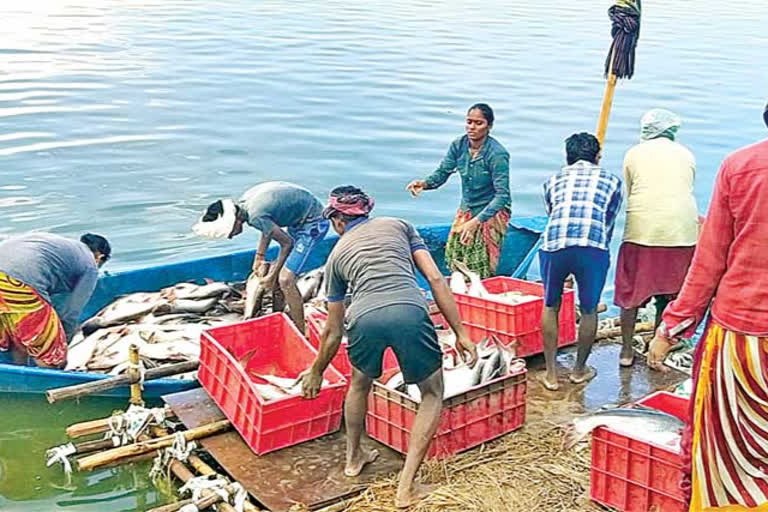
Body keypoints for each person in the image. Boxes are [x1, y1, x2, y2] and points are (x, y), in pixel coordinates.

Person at [298, 186, 478, 509]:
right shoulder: (399, 225)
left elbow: (332, 330)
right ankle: (405, 488)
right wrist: (461, 333)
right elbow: (436, 279)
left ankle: (353, 459)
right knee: (433, 393)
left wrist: (315, 371)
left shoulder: (336, 255)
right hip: (409, 310)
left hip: (363, 317)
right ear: (367, 211)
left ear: (338, 220)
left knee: (359, 383)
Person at [647, 102, 768, 511]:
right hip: (741, 332)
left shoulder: (741, 167)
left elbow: (709, 260)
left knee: (724, 458)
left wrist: (670, 329)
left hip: (740, 345)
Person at [614, 109, 699, 367]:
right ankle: (657, 345)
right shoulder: (686, 154)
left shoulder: (634, 153)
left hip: (643, 230)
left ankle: (626, 352)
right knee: (670, 294)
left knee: (630, 295)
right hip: (682, 231)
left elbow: (632, 190)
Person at [538, 132, 622, 390]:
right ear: (597, 157)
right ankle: (578, 370)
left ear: (568, 157)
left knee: (551, 305)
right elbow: (608, 221)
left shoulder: (553, 179)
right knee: (589, 309)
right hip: (592, 247)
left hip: (554, 244)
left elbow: (553, 213)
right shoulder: (612, 180)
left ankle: (551, 375)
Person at [193, 181, 329, 332]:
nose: (231, 237)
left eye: (230, 233)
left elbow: (287, 243)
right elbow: (268, 228)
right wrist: (260, 256)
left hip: (313, 223)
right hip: (297, 221)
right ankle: (278, 318)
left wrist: (272, 276)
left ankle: (300, 330)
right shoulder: (245, 204)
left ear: (233, 223)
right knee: (278, 274)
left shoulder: (255, 216)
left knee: (285, 280)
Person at [406, 103, 511, 278]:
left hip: (492, 210)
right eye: (469, 122)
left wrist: (476, 222)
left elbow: (502, 196)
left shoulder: (497, 154)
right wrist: (424, 184)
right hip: (468, 206)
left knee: (479, 262)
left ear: (489, 126)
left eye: (478, 123)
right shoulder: (459, 145)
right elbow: (443, 172)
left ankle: (482, 291)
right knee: (455, 254)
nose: (472, 127)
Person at [0, 233, 110, 367]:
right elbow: (71, 312)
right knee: (51, 354)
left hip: (7, 278)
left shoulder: (63, 247)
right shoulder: (90, 265)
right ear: (100, 257)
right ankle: (45, 382)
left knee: (17, 329)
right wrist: (63, 344)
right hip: (20, 282)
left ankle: (19, 373)